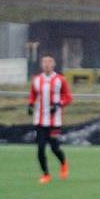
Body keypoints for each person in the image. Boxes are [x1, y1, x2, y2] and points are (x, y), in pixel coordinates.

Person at [28, 55, 72, 184]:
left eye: (49, 63)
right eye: (44, 63)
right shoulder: (36, 80)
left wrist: (58, 104)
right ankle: (46, 175)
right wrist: (30, 105)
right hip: (40, 120)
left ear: (53, 65)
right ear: (41, 65)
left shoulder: (60, 80)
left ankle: (63, 163)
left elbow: (68, 97)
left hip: (54, 121)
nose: (47, 65)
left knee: (54, 148)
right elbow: (32, 95)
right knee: (40, 148)